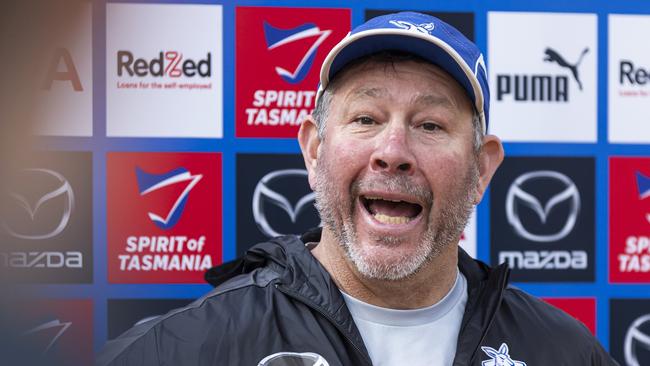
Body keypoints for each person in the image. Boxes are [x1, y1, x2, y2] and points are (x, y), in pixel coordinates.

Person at [97, 12, 618, 366]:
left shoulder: (563, 351)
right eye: (366, 118)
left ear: (481, 170)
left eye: (431, 125)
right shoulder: (184, 348)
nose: (393, 150)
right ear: (314, 150)